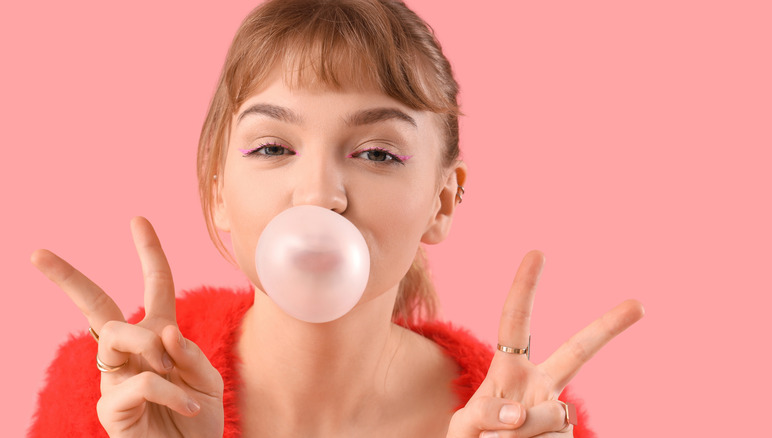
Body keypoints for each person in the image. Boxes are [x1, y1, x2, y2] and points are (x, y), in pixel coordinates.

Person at [28, 0, 644, 437]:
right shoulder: (115, 398)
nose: (319, 194)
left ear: (444, 199)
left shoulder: (526, 424)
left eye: (377, 153)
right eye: (273, 148)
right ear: (218, 190)